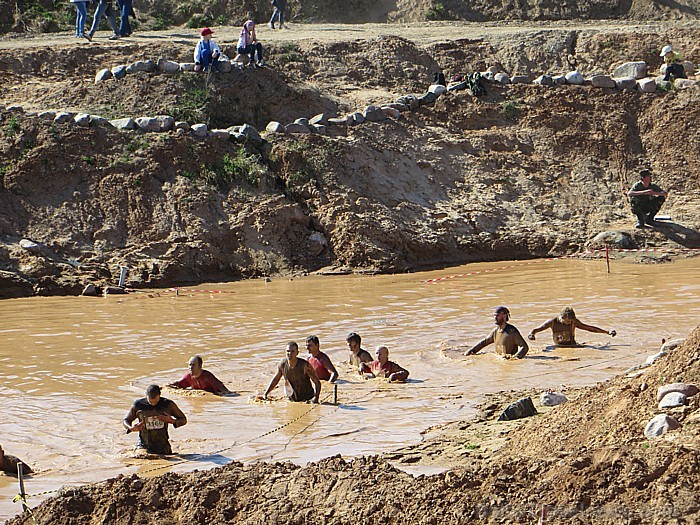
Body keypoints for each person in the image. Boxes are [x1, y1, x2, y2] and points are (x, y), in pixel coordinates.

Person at [123, 384, 187, 455]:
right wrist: (131, 428)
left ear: (159, 395)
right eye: (150, 401)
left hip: (163, 446)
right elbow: (126, 420)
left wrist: (173, 421)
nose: (153, 404)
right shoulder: (138, 405)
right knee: (142, 456)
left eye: (155, 401)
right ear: (146, 395)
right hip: (144, 445)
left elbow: (183, 419)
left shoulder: (168, 405)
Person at [527, 307, 616, 347]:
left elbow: (589, 328)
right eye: (568, 321)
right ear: (562, 318)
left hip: (573, 345)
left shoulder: (574, 322)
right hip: (558, 347)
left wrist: (607, 332)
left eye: (572, 321)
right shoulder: (552, 322)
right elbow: (536, 330)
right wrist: (531, 334)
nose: (570, 323)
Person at [464, 306, 528, 359]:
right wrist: (470, 351)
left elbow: (524, 347)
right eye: (494, 315)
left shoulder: (511, 331)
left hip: (507, 361)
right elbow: (484, 342)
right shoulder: (496, 331)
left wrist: (515, 359)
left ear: (505, 316)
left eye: (497, 315)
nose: (495, 318)